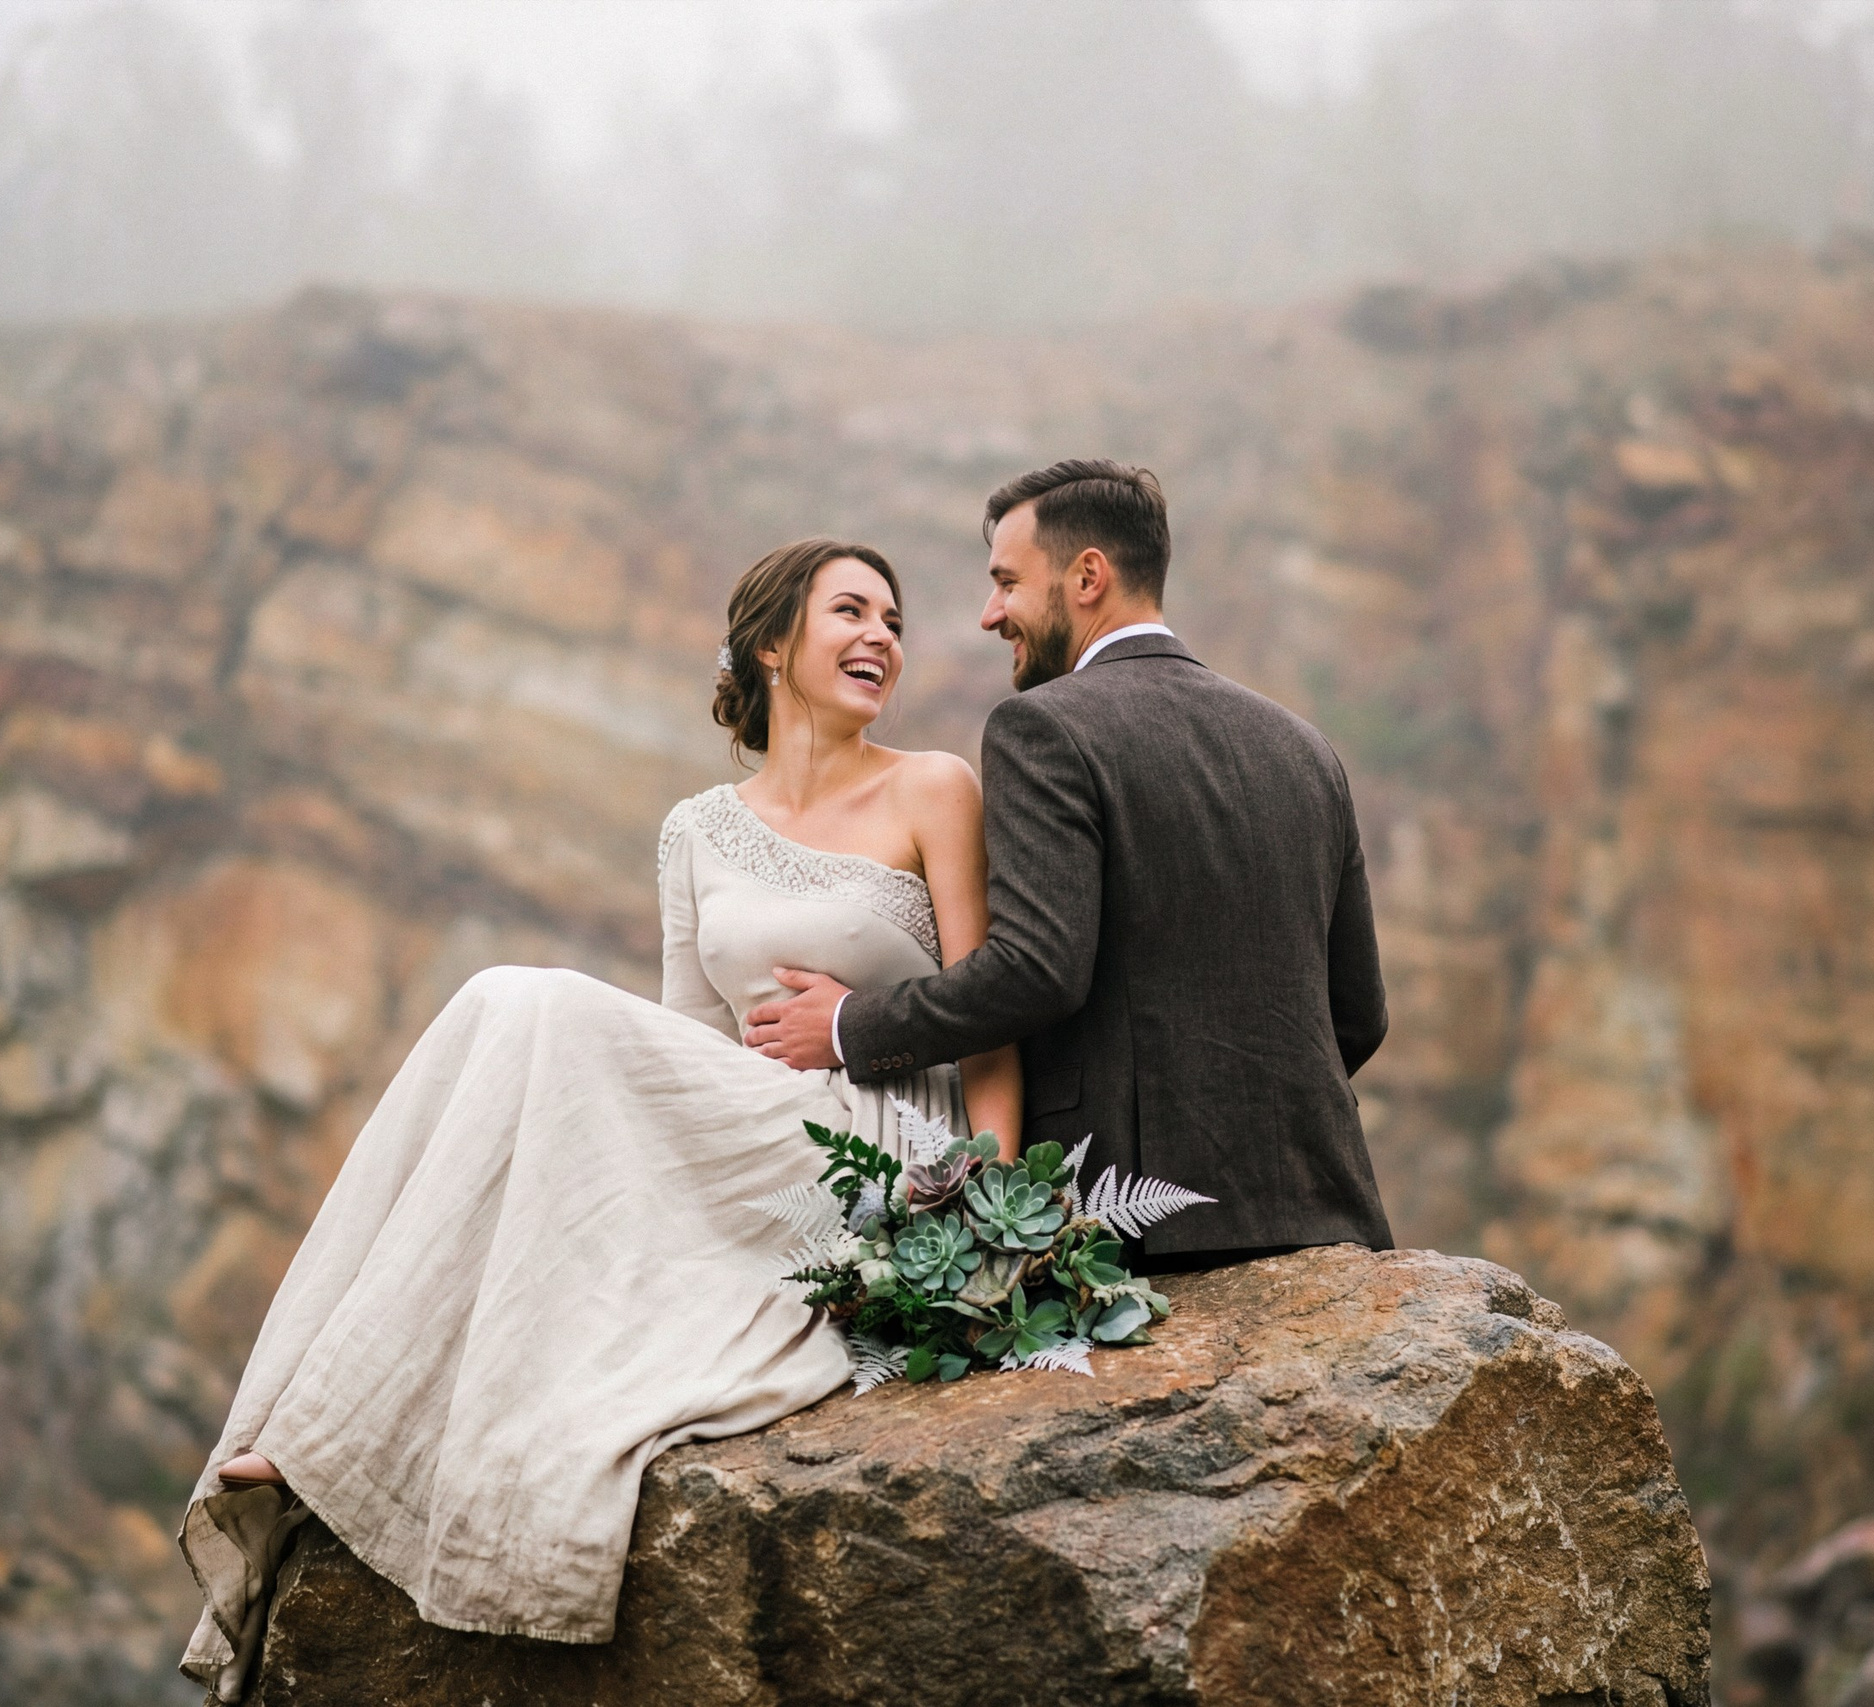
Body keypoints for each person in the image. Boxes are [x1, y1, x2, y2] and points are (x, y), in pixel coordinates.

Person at [177, 538, 1020, 1700]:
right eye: (850, 612)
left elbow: (991, 1013)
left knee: (529, 1001)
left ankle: (334, 1423)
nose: (881, 635)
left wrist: (995, 1210)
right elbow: (684, 1042)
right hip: (747, 1127)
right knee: (505, 1015)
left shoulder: (933, 786)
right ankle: (330, 1420)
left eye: (893, 618)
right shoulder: (692, 830)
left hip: (879, 1137)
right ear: (773, 645)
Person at [746, 459, 1392, 1273]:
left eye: (1007, 582)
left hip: (1136, 1228)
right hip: (1326, 1214)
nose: (991, 614)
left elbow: (1034, 970)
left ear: (1088, 576)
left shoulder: (1043, 729)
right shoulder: (1306, 749)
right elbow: (1359, 1014)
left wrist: (848, 1025)